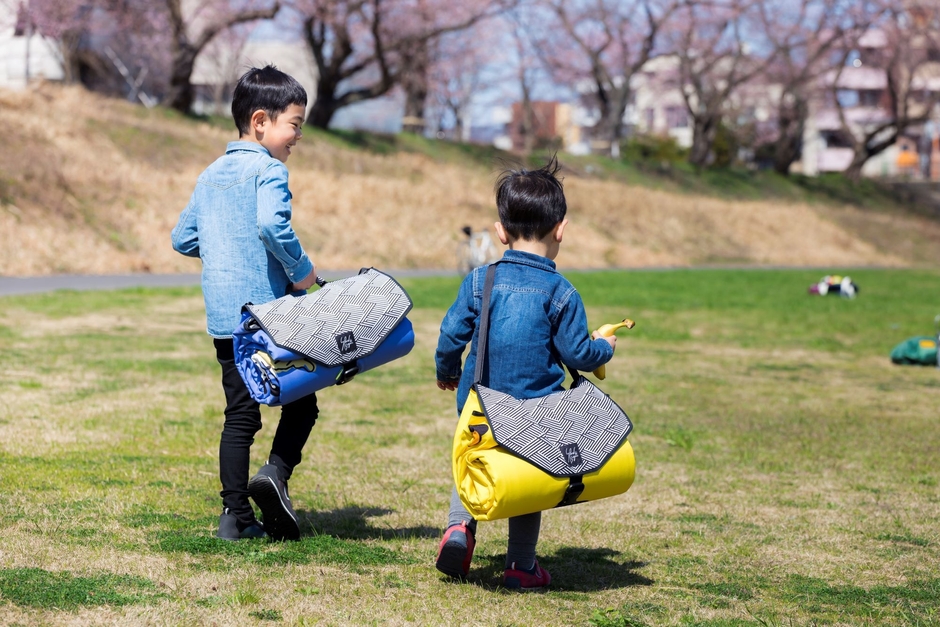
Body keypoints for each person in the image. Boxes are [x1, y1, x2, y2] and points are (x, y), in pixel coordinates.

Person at [434, 157, 617, 590]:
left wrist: (447, 369)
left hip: (480, 402)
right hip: (535, 413)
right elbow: (578, 353)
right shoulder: (562, 292)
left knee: (472, 461)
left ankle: (459, 530)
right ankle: (521, 564)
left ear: (501, 232)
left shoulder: (480, 280)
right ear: (561, 229)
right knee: (529, 476)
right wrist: (604, 348)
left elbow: (450, 333)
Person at [171, 65, 319, 542]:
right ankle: (275, 473)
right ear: (260, 122)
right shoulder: (270, 169)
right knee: (302, 405)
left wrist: (222, 247)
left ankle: (235, 516)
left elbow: (182, 238)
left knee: (240, 415)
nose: (298, 136)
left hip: (224, 318)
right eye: (294, 124)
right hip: (269, 316)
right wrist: (303, 272)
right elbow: (273, 226)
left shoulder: (210, 174)